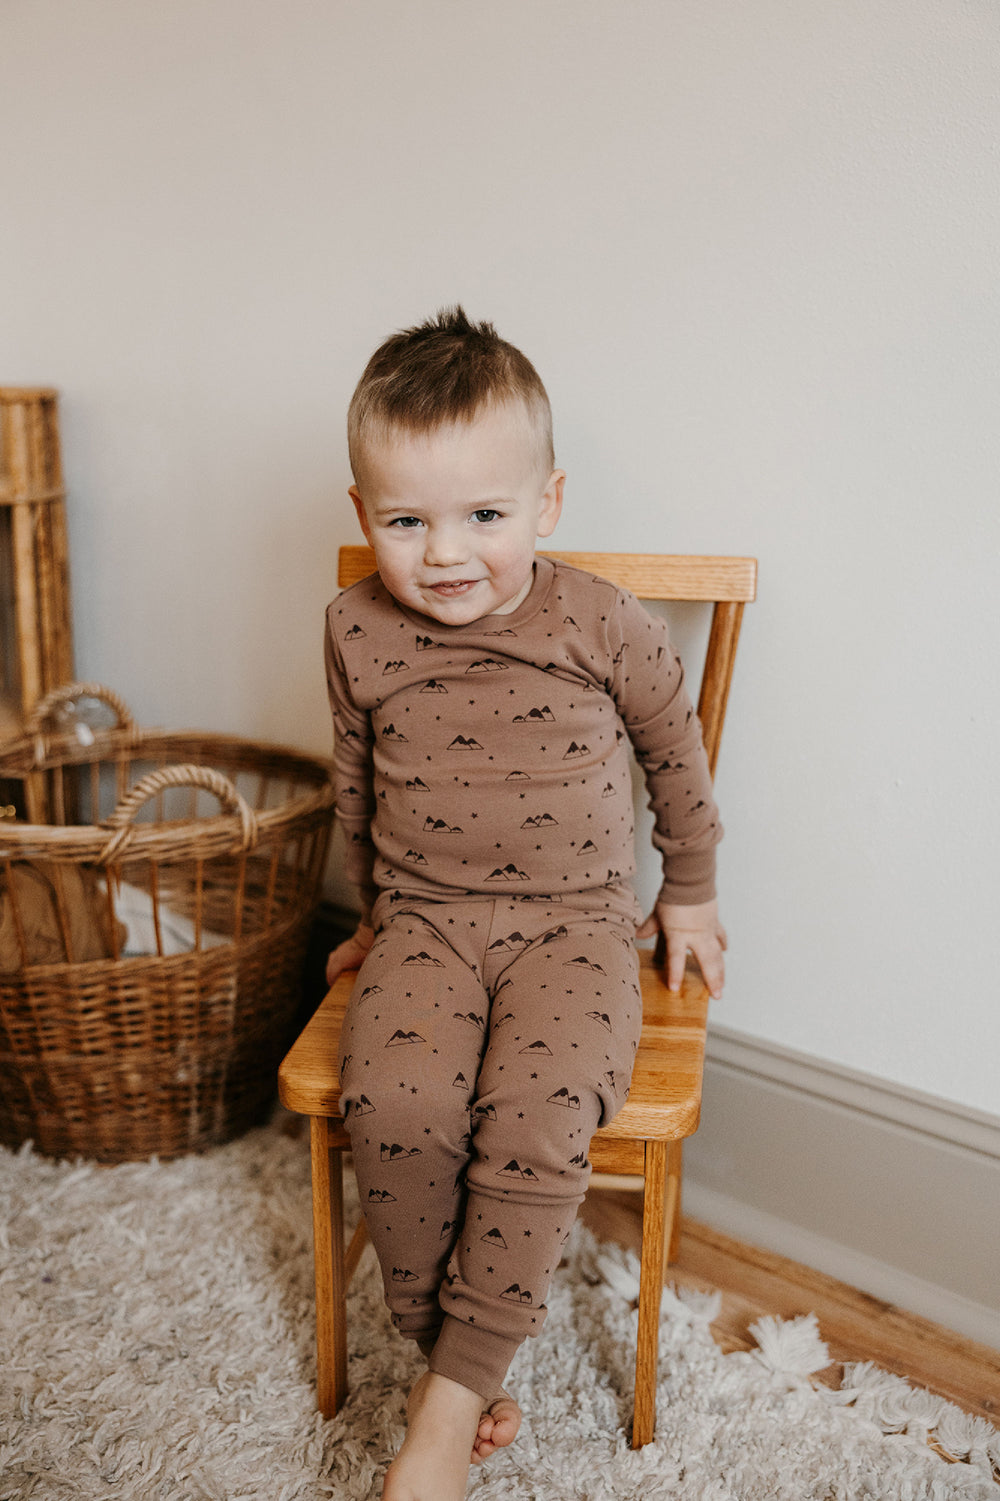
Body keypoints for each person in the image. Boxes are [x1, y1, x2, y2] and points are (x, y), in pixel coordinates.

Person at [323, 307, 725, 1501]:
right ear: (363, 519)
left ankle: (443, 1413)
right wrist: (362, 915)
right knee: (391, 1103)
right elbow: (353, 781)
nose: (445, 553)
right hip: (423, 920)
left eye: (482, 516)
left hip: (576, 927)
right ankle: (444, 1351)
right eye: (407, 521)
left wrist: (690, 891)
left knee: (535, 1110)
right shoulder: (356, 627)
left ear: (545, 503)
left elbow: (676, 756)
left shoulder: (597, 620)